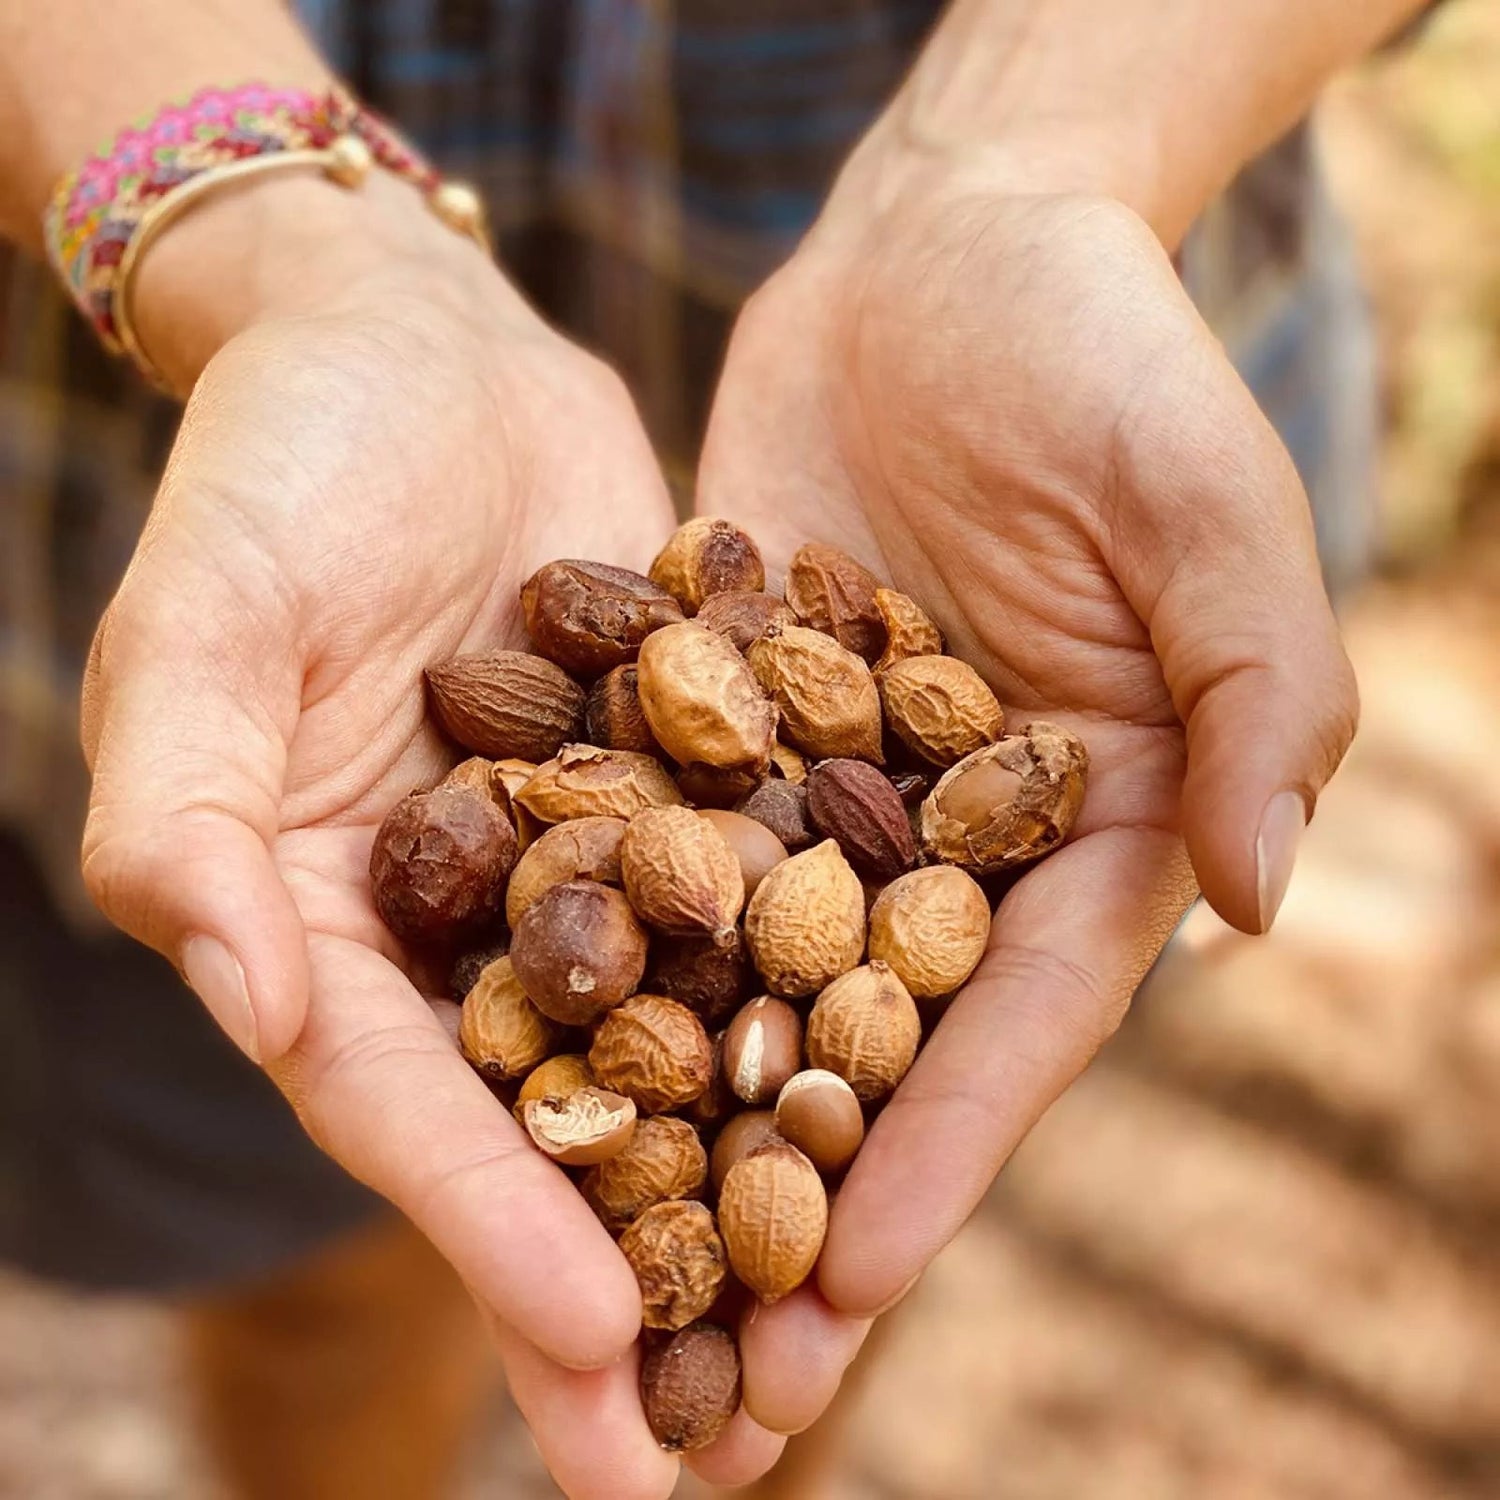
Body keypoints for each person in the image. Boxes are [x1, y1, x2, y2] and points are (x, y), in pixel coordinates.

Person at [0, 3, 1425, 1497]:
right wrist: (292, 257)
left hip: (1017, 469)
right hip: (221, 452)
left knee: (836, 1262)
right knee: (303, 1249)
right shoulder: (611, 801)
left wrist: (1023, 151)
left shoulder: (858, 815)